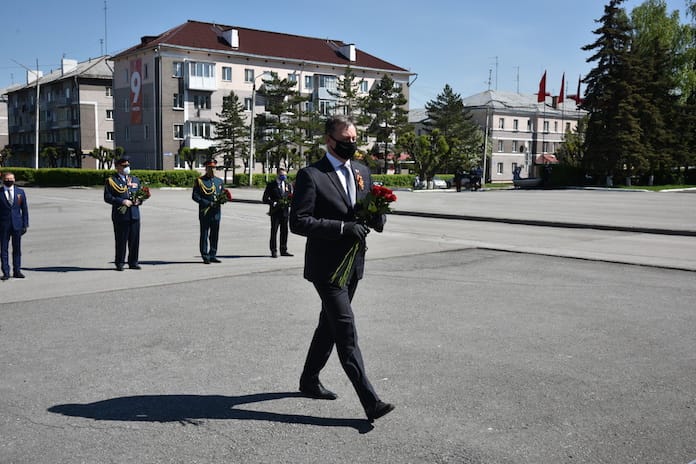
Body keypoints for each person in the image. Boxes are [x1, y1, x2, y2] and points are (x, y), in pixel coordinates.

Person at [290, 114, 395, 423]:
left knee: (329, 326)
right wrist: (341, 228)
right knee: (345, 328)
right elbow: (298, 222)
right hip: (326, 267)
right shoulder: (312, 175)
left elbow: (369, 210)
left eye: (354, 139)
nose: (351, 144)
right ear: (329, 140)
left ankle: (309, 380)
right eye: (345, 140)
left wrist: (378, 218)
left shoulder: (362, 171)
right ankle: (370, 400)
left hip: (353, 264)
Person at [104, 157, 143, 271]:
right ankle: (120, 262)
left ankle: (133, 262)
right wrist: (122, 201)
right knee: (121, 240)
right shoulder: (112, 181)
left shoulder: (134, 179)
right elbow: (108, 197)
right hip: (121, 216)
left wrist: (139, 200)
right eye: (124, 166)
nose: (127, 168)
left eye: (128, 165)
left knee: (134, 240)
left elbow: (140, 194)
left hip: (134, 214)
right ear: (117, 167)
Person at [192, 159, 225, 264]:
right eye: (210, 168)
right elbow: (195, 196)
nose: (213, 170)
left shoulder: (219, 181)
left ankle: (213, 254)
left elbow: (222, 194)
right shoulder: (200, 181)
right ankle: (205, 255)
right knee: (204, 234)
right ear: (206, 168)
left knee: (215, 234)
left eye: (214, 168)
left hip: (216, 213)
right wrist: (207, 203)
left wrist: (223, 200)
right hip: (205, 212)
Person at [0, 172, 29, 280]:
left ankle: (17, 270)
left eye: (11, 179)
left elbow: (24, 209)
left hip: (17, 225)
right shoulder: (0, 192)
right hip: (3, 226)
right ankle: (6, 272)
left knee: (17, 249)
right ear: (3, 180)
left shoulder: (20, 192)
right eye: (7, 179)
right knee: (3, 249)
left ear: (14, 179)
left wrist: (25, 224)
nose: (9, 180)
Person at [262, 167, 294, 258]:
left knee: (284, 231)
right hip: (275, 212)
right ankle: (273, 250)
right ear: (277, 175)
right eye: (281, 175)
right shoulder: (271, 185)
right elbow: (264, 199)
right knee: (274, 231)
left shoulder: (288, 185)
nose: (283, 177)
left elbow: (291, 196)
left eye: (284, 175)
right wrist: (273, 203)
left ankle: (283, 250)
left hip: (285, 212)